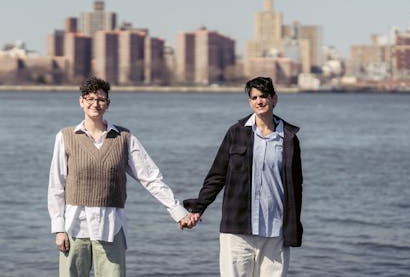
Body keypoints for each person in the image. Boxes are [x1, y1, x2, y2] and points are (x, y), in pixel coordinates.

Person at [48, 76, 195, 277]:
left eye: (100, 99)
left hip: (111, 226)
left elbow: (150, 178)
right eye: (90, 99)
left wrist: (178, 211)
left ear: (107, 104)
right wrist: (58, 229)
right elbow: (57, 186)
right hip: (74, 227)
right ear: (81, 102)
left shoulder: (124, 138)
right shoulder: (65, 137)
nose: (95, 104)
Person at [184, 76, 303, 277]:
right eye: (254, 97)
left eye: (263, 96)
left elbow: (296, 186)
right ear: (250, 101)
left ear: (274, 98)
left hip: (275, 231)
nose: (259, 101)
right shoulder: (236, 133)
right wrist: (198, 208)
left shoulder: (289, 138)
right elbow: (217, 175)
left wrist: (293, 226)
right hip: (237, 229)